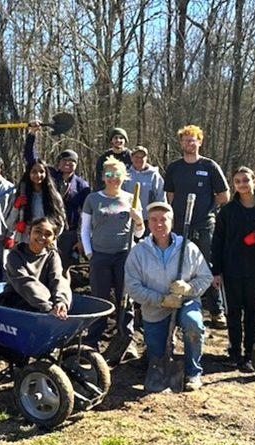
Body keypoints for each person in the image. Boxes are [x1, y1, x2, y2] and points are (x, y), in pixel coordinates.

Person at [124, 202, 213, 392]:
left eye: (164, 220)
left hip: (185, 302)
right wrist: (161, 300)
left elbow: (206, 277)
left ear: (171, 222)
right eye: (154, 220)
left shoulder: (188, 248)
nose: (159, 225)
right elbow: (133, 287)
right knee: (155, 353)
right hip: (154, 308)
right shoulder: (138, 252)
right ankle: (162, 354)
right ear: (148, 224)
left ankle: (192, 372)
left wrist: (189, 288)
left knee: (193, 325)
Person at [211, 167, 255, 372]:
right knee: (233, 314)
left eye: (245, 180)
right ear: (233, 185)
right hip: (231, 270)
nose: (242, 184)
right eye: (237, 181)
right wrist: (216, 271)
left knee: (253, 314)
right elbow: (218, 242)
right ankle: (234, 352)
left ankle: (251, 352)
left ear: (254, 181)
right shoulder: (228, 211)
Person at [164, 125, 230, 329]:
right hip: (179, 227)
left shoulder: (209, 166)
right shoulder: (174, 167)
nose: (189, 143)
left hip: (203, 226)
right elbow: (170, 196)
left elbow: (224, 195)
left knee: (207, 267)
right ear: (181, 143)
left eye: (193, 140)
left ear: (200, 141)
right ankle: (177, 306)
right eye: (185, 140)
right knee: (178, 265)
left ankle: (216, 311)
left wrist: (206, 209)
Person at [81, 156, 144, 353]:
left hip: (124, 256)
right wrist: (90, 253)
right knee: (99, 299)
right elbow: (84, 229)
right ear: (103, 177)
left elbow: (139, 233)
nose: (113, 178)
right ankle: (92, 341)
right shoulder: (93, 199)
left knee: (125, 299)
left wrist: (139, 220)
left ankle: (127, 339)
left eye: (117, 175)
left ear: (124, 177)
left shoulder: (131, 199)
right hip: (100, 255)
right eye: (109, 174)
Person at [25, 121, 91, 270]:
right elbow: (30, 157)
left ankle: (63, 293)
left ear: (76, 164)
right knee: (43, 266)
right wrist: (32, 134)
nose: (67, 163)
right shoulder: (50, 175)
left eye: (71, 161)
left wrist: (82, 240)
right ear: (59, 162)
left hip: (69, 233)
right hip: (46, 230)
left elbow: (86, 215)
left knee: (64, 268)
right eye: (64, 160)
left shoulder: (82, 186)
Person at [0, 217, 71, 319]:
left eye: (48, 234)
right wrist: (48, 308)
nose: (42, 237)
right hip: (15, 298)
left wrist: (61, 302)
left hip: (42, 301)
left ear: (54, 238)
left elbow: (57, 279)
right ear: (29, 232)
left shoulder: (52, 256)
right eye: (38, 232)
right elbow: (25, 283)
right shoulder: (15, 255)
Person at [7, 156, 66, 246]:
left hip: (47, 245)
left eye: (41, 172)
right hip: (25, 243)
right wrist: (16, 208)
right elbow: (10, 225)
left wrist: (48, 234)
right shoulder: (19, 195)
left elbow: (60, 223)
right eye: (34, 172)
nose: (38, 175)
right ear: (28, 173)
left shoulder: (54, 196)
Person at [122, 146, 166, 234]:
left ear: (146, 158)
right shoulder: (125, 174)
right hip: (128, 220)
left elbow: (161, 198)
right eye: (136, 157)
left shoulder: (154, 176)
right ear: (131, 158)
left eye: (142, 157)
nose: (139, 159)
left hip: (149, 220)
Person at [94, 127, 132, 191]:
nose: (118, 140)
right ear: (111, 140)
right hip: (109, 193)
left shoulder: (131, 156)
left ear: (125, 140)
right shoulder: (103, 158)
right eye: (116, 138)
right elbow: (99, 179)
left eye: (121, 138)